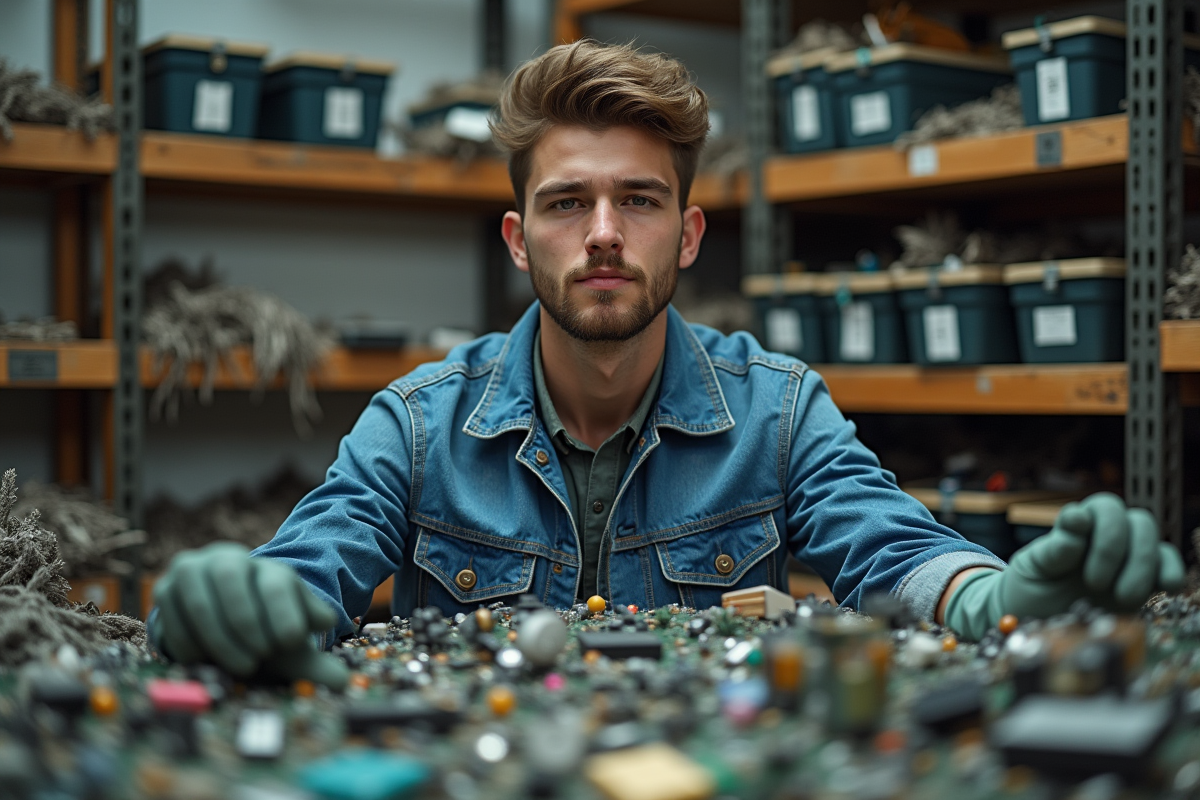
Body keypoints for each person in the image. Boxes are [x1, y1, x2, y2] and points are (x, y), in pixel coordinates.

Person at [149, 41, 1185, 688]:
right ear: (519, 239)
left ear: (688, 234)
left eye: (638, 200)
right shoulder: (417, 422)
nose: (604, 233)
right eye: (567, 203)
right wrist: (237, 599)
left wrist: (996, 597)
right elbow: (305, 568)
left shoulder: (778, 411)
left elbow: (893, 548)